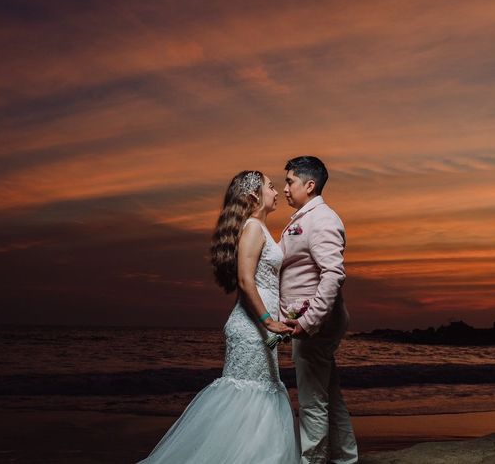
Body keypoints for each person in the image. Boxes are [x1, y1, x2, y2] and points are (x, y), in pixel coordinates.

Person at [139, 170, 300, 463]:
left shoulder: (260, 229)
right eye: (271, 187)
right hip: (253, 328)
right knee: (248, 399)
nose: (277, 192)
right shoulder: (252, 228)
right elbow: (245, 281)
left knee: (259, 399)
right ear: (254, 196)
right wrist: (268, 322)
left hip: (260, 330)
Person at [280, 156, 358, 464]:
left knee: (313, 401)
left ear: (309, 185)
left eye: (290, 182)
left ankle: (312, 460)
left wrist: (309, 320)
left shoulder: (322, 218)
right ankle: (346, 459)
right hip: (312, 323)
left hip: (315, 325)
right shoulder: (305, 217)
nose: (285, 187)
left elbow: (333, 274)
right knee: (329, 395)